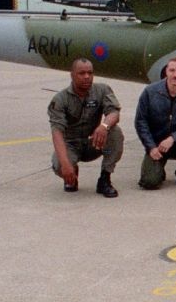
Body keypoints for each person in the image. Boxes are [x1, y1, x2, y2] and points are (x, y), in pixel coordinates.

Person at [48, 57, 123, 197]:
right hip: (71, 144)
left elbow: (114, 112)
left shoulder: (102, 90)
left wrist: (104, 126)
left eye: (90, 73)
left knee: (115, 132)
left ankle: (105, 179)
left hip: (93, 142)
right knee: (59, 166)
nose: (87, 77)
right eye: (81, 73)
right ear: (72, 75)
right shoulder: (60, 99)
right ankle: (71, 174)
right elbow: (57, 132)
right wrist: (65, 164)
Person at [133, 55, 176, 189]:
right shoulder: (150, 92)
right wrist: (151, 147)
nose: (175, 75)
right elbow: (141, 122)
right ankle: (159, 169)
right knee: (150, 182)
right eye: (172, 70)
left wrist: (173, 138)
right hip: (158, 144)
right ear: (166, 71)